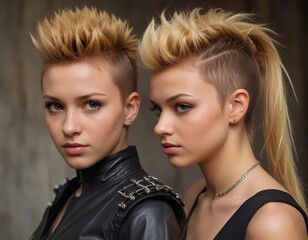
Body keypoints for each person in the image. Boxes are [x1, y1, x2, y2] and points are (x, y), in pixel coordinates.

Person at [139, 8, 307, 240]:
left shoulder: (273, 222)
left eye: (182, 106)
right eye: (157, 109)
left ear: (236, 106)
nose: (160, 127)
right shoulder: (195, 198)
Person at [29, 6, 186, 240]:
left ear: (129, 109)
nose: (69, 127)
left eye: (92, 104)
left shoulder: (148, 214)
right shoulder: (67, 193)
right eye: (56, 106)